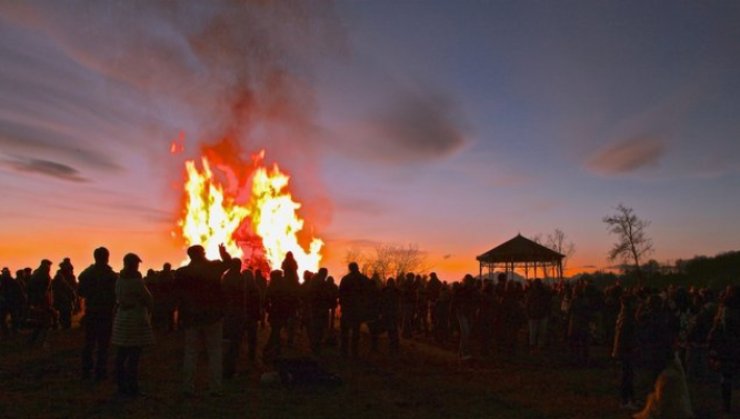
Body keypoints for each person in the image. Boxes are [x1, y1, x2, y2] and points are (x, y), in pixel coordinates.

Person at [176, 244, 231, 396]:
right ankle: (215, 387)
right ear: (203, 254)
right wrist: (224, 253)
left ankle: (188, 387)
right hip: (212, 316)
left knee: (191, 353)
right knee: (214, 352)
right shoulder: (213, 268)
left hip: (191, 317)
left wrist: (181, 317)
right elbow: (229, 264)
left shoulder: (182, 273)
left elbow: (179, 297)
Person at [111, 253, 154, 397]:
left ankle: (121, 385)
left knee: (121, 354)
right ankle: (132, 387)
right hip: (135, 320)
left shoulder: (119, 280)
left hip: (122, 319)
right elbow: (148, 299)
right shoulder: (136, 281)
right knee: (134, 356)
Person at [78, 247, 118, 381]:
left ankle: (86, 372)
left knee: (89, 343)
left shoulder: (87, 274)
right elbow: (116, 295)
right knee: (103, 345)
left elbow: (81, 292)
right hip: (105, 313)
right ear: (107, 257)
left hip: (92, 312)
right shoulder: (111, 276)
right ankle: (100, 372)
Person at [708, 285, 740, 415]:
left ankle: (726, 407)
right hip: (732, 345)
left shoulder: (725, 309)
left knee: (726, 376)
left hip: (728, 346)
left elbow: (722, 328)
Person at [613, 293, 639, 411]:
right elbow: (626, 336)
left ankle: (629, 399)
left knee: (628, 375)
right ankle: (625, 400)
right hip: (626, 350)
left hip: (624, 349)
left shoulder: (623, 315)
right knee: (627, 375)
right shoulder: (628, 317)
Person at [339, 262, 368, 358]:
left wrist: (342, 305)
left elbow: (341, 294)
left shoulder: (346, 279)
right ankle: (354, 352)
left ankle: (344, 352)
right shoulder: (363, 279)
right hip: (357, 309)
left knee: (345, 332)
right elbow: (368, 293)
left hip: (348, 309)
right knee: (356, 332)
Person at [51, 265, 76, 330]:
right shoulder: (62, 278)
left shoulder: (59, 277)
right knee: (65, 313)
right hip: (64, 299)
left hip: (62, 298)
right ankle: (65, 326)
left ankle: (63, 325)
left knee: (64, 313)